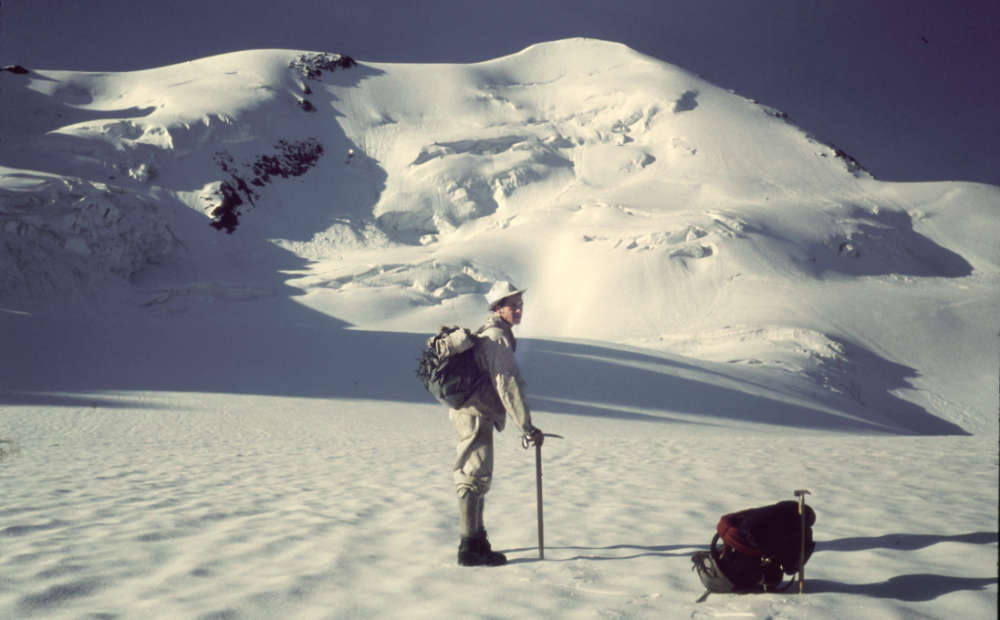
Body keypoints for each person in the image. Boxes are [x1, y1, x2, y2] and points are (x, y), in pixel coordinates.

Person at [450, 280, 544, 566]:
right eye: (512, 306)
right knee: (473, 476)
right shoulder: (497, 338)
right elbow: (508, 385)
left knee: (478, 475)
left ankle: (476, 541)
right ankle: (469, 548)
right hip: (476, 413)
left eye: (520, 306)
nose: (518, 311)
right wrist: (526, 426)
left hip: (474, 411)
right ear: (498, 308)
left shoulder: (492, 334)